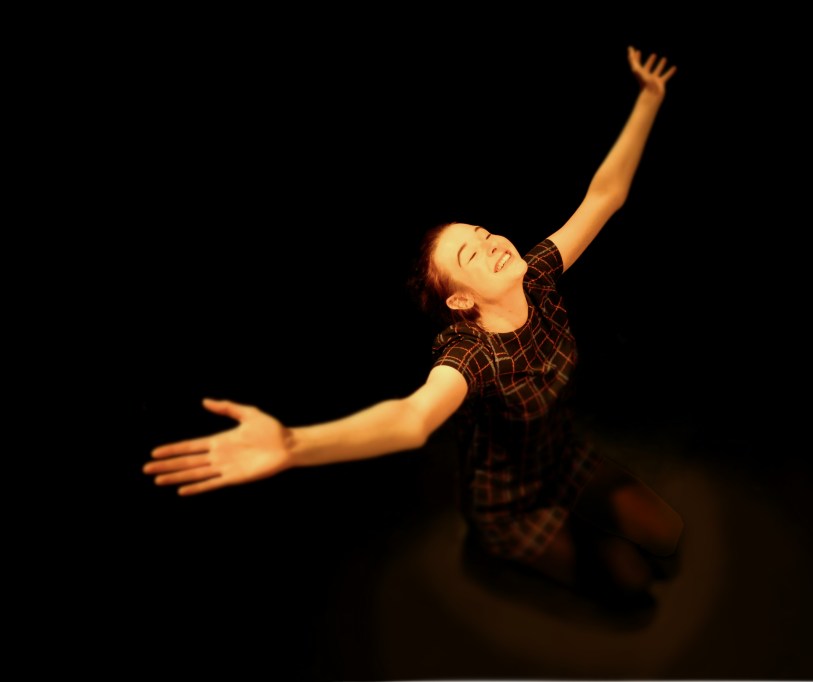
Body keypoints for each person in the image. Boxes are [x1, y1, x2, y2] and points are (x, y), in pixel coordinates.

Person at [145, 45, 683, 606]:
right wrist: (292, 443)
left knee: (668, 535)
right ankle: (494, 544)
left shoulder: (539, 274)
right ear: (460, 303)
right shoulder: (469, 355)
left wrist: (648, 99)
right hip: (509, 501)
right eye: (471, 255)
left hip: (564, 457)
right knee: (631, 585)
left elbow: (605, 195)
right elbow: (411, 419)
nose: (493, 243)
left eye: (483, 233)